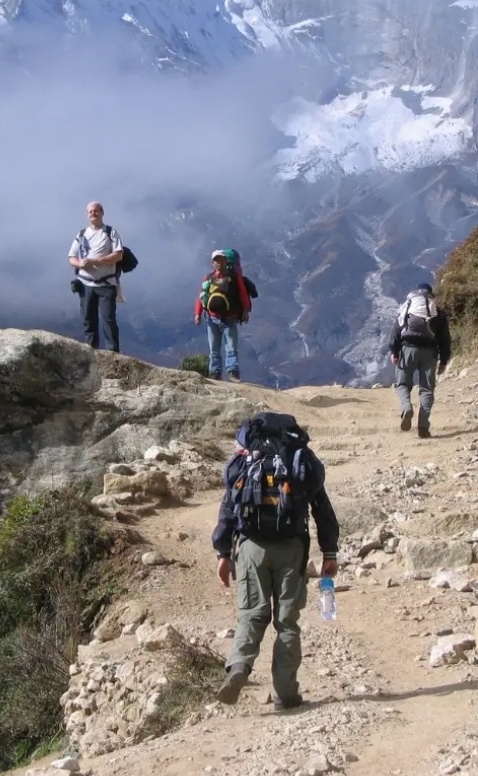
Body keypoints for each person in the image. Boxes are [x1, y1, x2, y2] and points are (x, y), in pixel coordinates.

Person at [211, 413, 339, 711]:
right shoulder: (301, 460)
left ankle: (240, 666)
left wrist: (223, 554)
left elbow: (229, 510)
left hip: (252, 548)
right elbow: (323, 511)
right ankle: (285, 693)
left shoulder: (246, 460)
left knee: (252, 615)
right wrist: (329, 553)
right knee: (287, 623)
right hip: (292, 549)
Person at [388, 282, 452, 438]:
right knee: (427, 389)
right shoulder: (436, 311)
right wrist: (444, 361)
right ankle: (423, 427)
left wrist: (394, 351)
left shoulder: (408, 306)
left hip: (407, 349)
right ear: (431, 295)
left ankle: (406, 407)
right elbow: (445, 340)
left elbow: (397, 330)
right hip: (429, 352)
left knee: (403, 384)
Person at [67, 201, 124, 352]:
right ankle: (91, 353)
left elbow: (118, 255)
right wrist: (80, 264)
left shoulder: (110, 232)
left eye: (96, 211)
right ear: (87, 215)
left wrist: (97, 261)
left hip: (106, 284)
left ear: (102, 213)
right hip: (85, 285)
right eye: (90, 211)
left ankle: (113, 354)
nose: (93, 213)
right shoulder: (81, 234)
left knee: (108, 319)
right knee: (88, 320)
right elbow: (71, 257)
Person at [194, 249, 252, 381]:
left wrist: (245, 310)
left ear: (226, 261)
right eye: (216, 260)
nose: (219, 262)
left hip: (230, 318)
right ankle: (215, 373)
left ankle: (233, 373)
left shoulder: (234, 278)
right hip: (212, 318)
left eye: (221, 259)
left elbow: (243, 294)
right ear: (212, 263)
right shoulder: (208, 279)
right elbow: (201, 296)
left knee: (231, 348)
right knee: (214, 349)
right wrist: (198, 313)